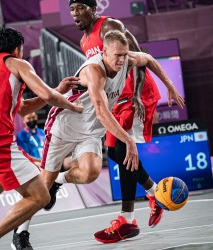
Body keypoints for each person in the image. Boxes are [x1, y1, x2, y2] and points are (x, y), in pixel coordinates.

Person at [56, 0, 184, 244]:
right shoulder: (84, 41)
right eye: (71, 9)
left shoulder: (110, 26)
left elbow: (140, 56)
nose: (74, 13)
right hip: (119, 96)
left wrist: (137, 93)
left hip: (136, 93)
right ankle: (153, 192)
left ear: (93, 9)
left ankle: (127, 220)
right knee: (114, 151)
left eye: (79, 8)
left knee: (124, 150)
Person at [0, 26, 83, 250]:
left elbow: (23, 106)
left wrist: (58, 89)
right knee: (40, 196)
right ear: (17, 49)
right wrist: (72, 106)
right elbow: (47, 95)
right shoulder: (17, 63)